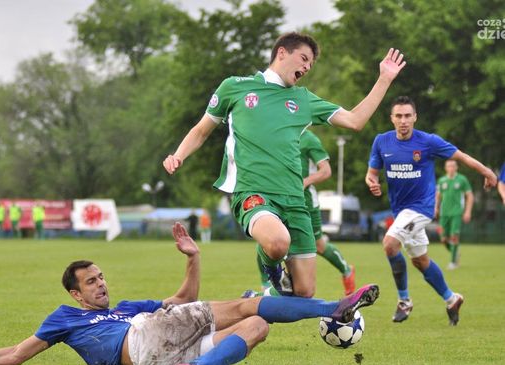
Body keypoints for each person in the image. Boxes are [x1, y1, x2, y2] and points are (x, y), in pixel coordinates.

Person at [0, 222, 380, 365]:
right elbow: (15, 354)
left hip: (164, 358)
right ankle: (333, 308)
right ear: (75, 295)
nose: (101, 284)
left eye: (101, 276)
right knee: (245, 306)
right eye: (91, 282)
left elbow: (183, 300)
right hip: (140, 340)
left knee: (257, 326)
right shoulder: (66, 317)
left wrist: (193, 258)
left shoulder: (126, 306)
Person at [164, 32, 406, 298]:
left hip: (294, 200)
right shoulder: (235, 87)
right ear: (282, 52)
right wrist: (178, 155)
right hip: (253, 192)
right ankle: (272, 270)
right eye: (303, 58)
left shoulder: (303, 99)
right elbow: (201, 131)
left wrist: (384, 79)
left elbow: (354, 121)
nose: (307, 66)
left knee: (304, 292)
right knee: (278, 243)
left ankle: (257, 300)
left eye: (311, 64)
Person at [365, 96, 497, 326]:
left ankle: (404, 301)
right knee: (420, 261)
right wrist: (372, 182)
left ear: (415, 117)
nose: (403, 120)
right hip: (401, 211)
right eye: (399, 116)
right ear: (392, 118)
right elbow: (372, 173)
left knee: (390, 244)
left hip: (421, 208)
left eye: (408, 116)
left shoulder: (428, 141)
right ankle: (452, 299)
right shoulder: (381, 141)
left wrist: (486, 171)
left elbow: (460, 156)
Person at [249, 130, 356, 296]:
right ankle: (265, 286)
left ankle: (347, 270)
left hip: (306, 202)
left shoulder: (309, 139)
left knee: (319, 245)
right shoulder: (276, 133)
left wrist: (305, 181)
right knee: (266, 238)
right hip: (278, 197)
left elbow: (326, 171)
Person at [435, 160, 473, 270]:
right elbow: (438, 196)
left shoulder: (462, 179)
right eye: (449, 166)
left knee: (454, 237)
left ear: (456, 167)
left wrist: (468, 211)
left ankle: (453, 263)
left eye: (453, 166)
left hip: (456, 212)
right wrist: (436, 208)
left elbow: (470, 196)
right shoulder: (442, 180)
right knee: (443, 238)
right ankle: (455, 251)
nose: (451, 168)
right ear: (445, 168)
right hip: (444, 213)